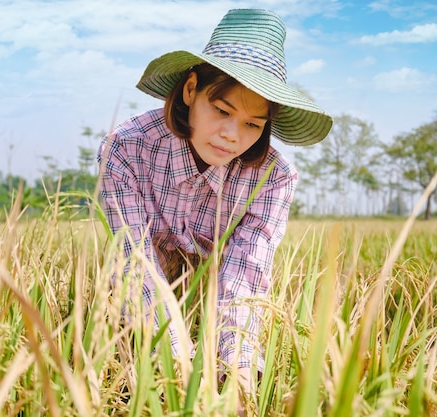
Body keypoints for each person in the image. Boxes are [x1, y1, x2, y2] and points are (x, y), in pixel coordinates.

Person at [97, 7, 332, 403]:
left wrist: (239, 374)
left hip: (215, 293)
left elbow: (245, 274)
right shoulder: (125, 148)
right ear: (191, 90)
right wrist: (179, 368)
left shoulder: (273, 178)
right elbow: (135, 262)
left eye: (253, 124)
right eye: (222, 111)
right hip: (142, 304)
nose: (230, 136)